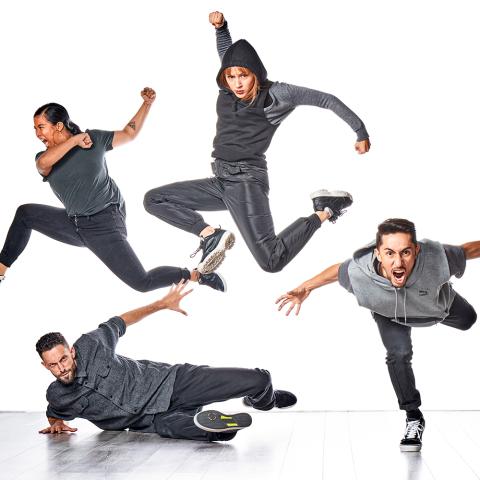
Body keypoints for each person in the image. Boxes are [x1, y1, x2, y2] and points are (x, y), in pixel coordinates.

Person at [143, 11, 370, 275]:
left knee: (271, 260)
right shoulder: (227, 89)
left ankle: (325, 209)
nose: (237, 83)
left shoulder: (277, 94)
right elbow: (228, 53)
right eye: (231, 76)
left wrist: (360, 132)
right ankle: (209, 235)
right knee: (154, 200)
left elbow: (326, 99)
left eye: (244, 76)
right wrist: (221, 28)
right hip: (220, 180)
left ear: (256, 73)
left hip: (246, 181)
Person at [276, 218, 479, 452]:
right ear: (379, 254)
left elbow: (467, 250)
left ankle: (437, 298)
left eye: (405, 252)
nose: (398, 261)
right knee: (398, 354)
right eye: (390, 253)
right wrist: (305, 287)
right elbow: (335, 271)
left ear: (416, 250)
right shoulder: (360, 273)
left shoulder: (437, 258)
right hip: (390, 312)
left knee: (468, 320)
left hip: (432, 303)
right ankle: (413, 417)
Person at [0, 90, 224, 292]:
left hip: (104, 223)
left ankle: (198, 275)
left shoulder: (95, 140)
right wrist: (76, 139)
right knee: (25, 213)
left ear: (58, 125)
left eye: (41, 127)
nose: (37, 133)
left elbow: (129, 133)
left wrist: (147, 104)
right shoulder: (45, 157)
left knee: (141, 282)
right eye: (35, 128)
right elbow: (43, 165)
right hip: (74, 223)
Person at [36, 281, 297, 441]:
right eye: (53, 366)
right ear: (45, 366)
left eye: (63, 359)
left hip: (172, 382)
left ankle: (264, 401)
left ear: (71, 351)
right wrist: (56, 424)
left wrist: (161, 304)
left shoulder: (92, 344)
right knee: (203, 431)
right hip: (153, 420)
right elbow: (54, 413)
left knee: (260, 379)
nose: (62, 368)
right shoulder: (58, 395)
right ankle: (215, 426)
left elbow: (121, 321)